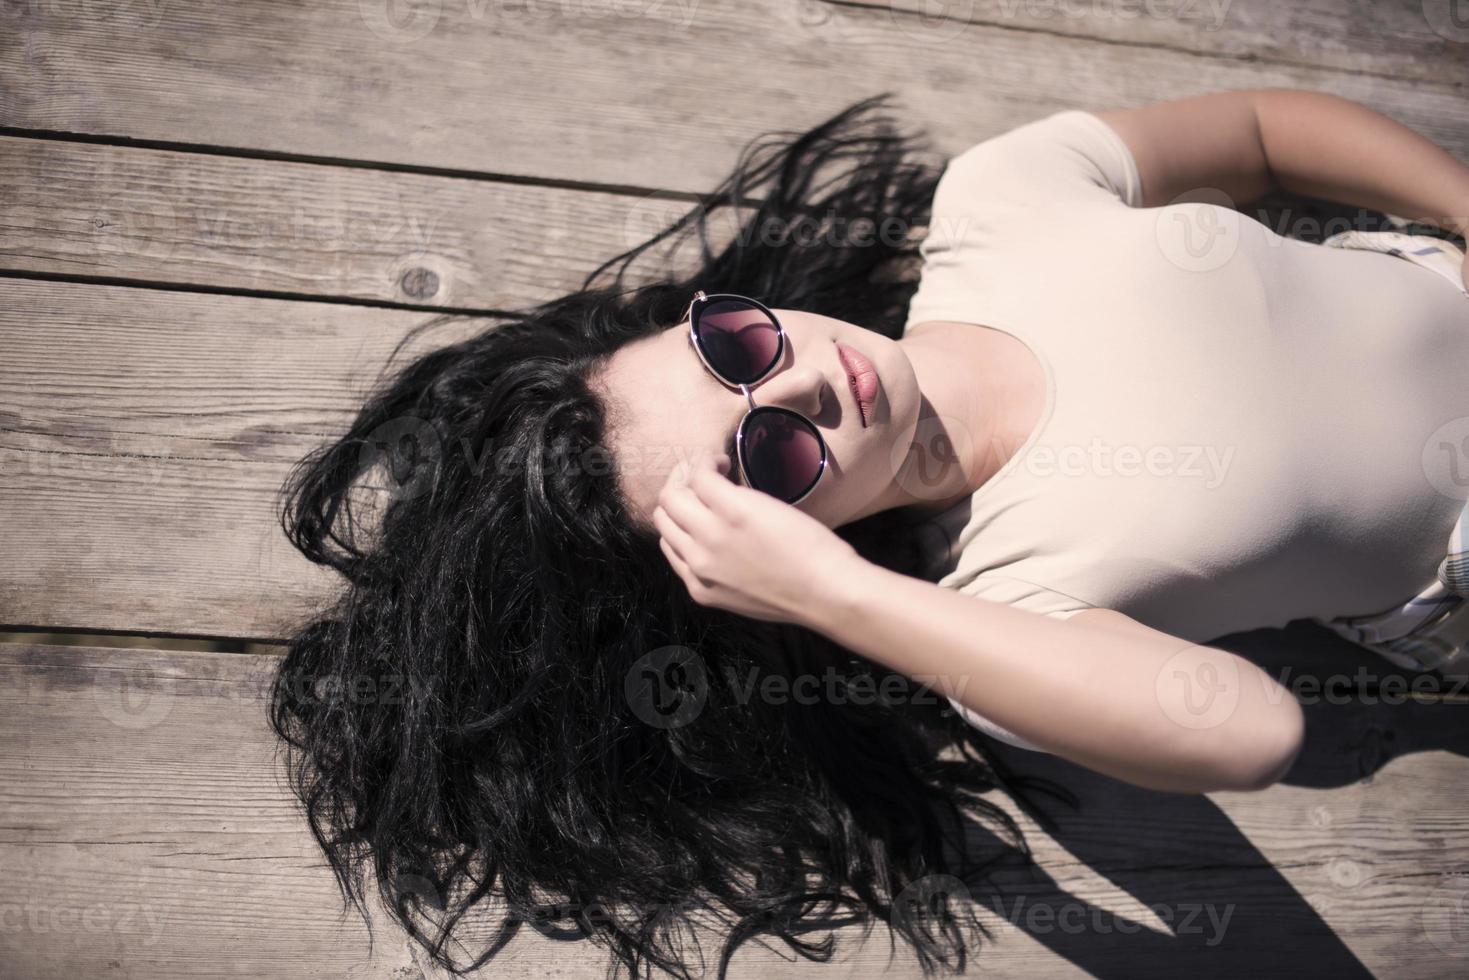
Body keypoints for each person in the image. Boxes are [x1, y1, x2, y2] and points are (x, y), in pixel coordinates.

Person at [269, 89, 1469, 979]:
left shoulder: (997, 203)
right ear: (755, 562)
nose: (801, 388)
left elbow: (1256, 132)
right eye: (765, 459)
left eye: (734, 347)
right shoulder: (1001, 608)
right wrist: (836, 598)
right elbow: (1255, 728)